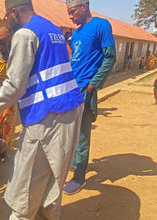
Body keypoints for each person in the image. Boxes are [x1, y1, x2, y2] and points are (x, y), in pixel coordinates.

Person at [0, 0, 84, 219]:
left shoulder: (25, 35)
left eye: (8, 17)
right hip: (69, 107)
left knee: (27, 180)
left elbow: (15, 86)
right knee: (54, 175)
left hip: (47, 113)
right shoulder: (52, 28)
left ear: (15, 12)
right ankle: (47, 214)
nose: (9, 23)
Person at [63, 0, 116, 195]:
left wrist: (94, 83)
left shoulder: (101, 25)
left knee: (83, 133)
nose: (70, 16)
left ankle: (79, 178)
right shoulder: (77, 32)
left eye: (72, 11)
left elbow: (110, 56)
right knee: (71, 130)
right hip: (72, 88)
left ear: (84, 6)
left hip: (86, 88)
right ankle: (76, 163)